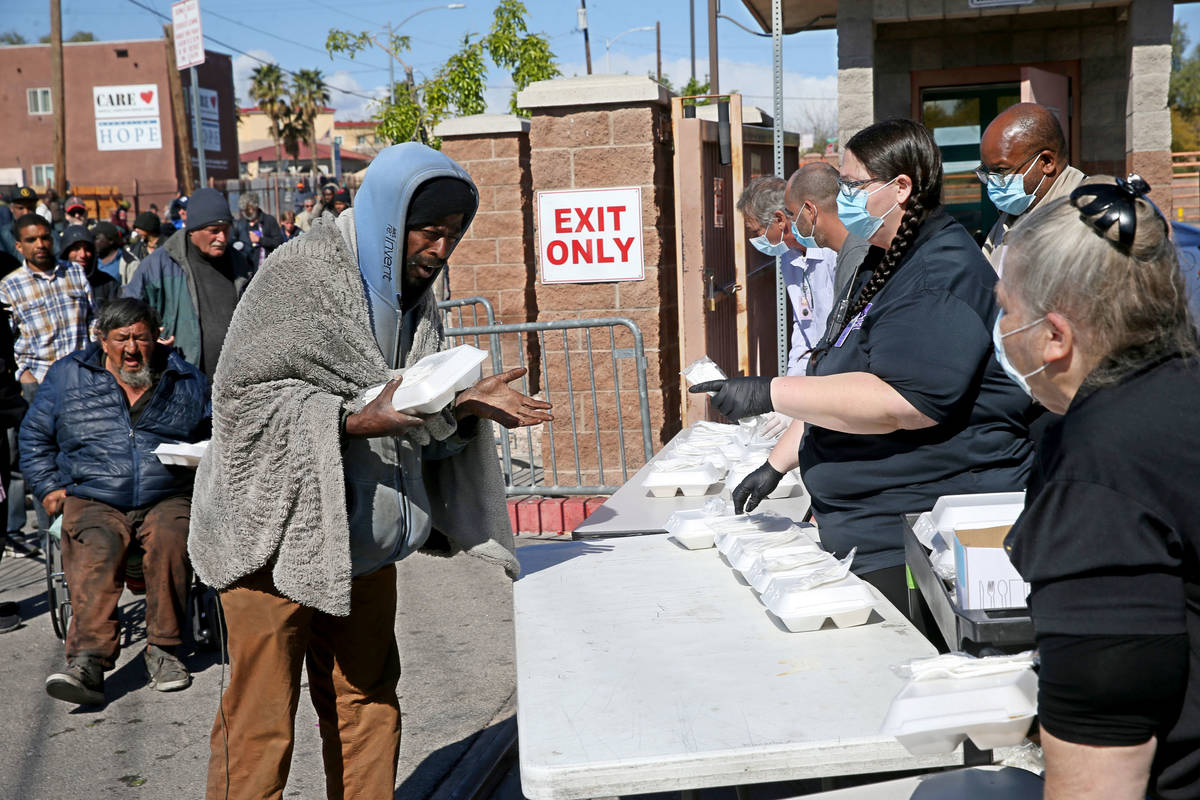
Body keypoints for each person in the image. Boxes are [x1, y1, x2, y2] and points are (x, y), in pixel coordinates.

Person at [189, 142, 553, 800]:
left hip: (360, 541)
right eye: (429, 232)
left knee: (368, 703)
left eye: (452, 236)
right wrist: (353, 420)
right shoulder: (297, 280)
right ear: (389, 217)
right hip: (269, 539)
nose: (440, 251)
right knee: (261, 721)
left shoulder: (414, 302)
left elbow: (414, 404)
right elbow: (243, 404)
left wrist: (461, 405)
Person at [692, 119, 1035, 611]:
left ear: (901, 188)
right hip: (867, 521)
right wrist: (778, 462)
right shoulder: (883, 257)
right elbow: (838, 372)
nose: (843, 194)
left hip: (914, 530)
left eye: (853, 185)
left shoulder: (939, 272)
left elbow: (902, 401)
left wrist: (770, 392)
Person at [999, 175, 1200, 800]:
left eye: (1007, 310)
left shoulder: (1098, 471)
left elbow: (1100, 765)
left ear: (1055, 336)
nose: (1000, 329)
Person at [22, 298, 210, 706]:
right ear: (102, 340)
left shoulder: (186, 379)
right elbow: (35, 437)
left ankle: (164, 650)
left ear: (156, 338)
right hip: (94, 494)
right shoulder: (68, 376)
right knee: (97, 547)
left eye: (140, 338)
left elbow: (214, 432)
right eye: (121, 338)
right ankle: (87, 662)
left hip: (166, 493)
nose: (131, 349)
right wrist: (49, 486)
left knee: (172, 540)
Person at [125, 188, 255, 376]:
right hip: (181, 381)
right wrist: (150, 339)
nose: (222, 238)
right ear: (193, 229)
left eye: (226, 230)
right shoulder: (158, 266)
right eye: (214, 231)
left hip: (235, 384)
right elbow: (127, 315)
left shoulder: (240, 264)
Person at [735, 175, 838, 378]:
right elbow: (803, 323)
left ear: (780, 219)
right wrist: (793, 379)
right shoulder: (788, 257)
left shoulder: (831, 250)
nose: (756, 240)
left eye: (758, 232)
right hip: (817, 369)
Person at [978, 103, 1086, 272]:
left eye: (1001, 170)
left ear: (1047, 162)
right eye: (988, 171)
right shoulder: (1010, 217)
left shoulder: (1088, 218)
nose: (993, 181)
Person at [784, 161, 879, 348]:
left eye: (792, 214)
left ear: (810, 211)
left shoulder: (858, 257)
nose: (792, 222)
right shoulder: (849, 251)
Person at [2, 214, 96, 391]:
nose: (40, 245)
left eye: (45, 238)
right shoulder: (10, 286)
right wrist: (23, 374)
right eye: (31, 240)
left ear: (52, 240)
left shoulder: (74, 271)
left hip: (81, 377)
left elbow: (92, 318)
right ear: (19, 246)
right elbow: (7, 341)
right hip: (40, 382)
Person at [59, 225, 119, 305]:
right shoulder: (55, 283)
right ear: (66, 252)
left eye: (87, 249)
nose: (83, 255)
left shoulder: (108, 284)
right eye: (76, 249)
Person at [233, 191, 283, 266]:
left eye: (249, 209)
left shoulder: (269, 220)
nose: (247, 213)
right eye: (244, 210)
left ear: (255, 206)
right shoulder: (241, 223)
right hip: (247, 268)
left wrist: (260, 240)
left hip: (267, 266)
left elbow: (278, 242)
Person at [92, 221, 139, 286]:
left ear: (110, 240)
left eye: (96, 238)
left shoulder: (129, 263)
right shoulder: (91, 260)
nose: (93, 241)